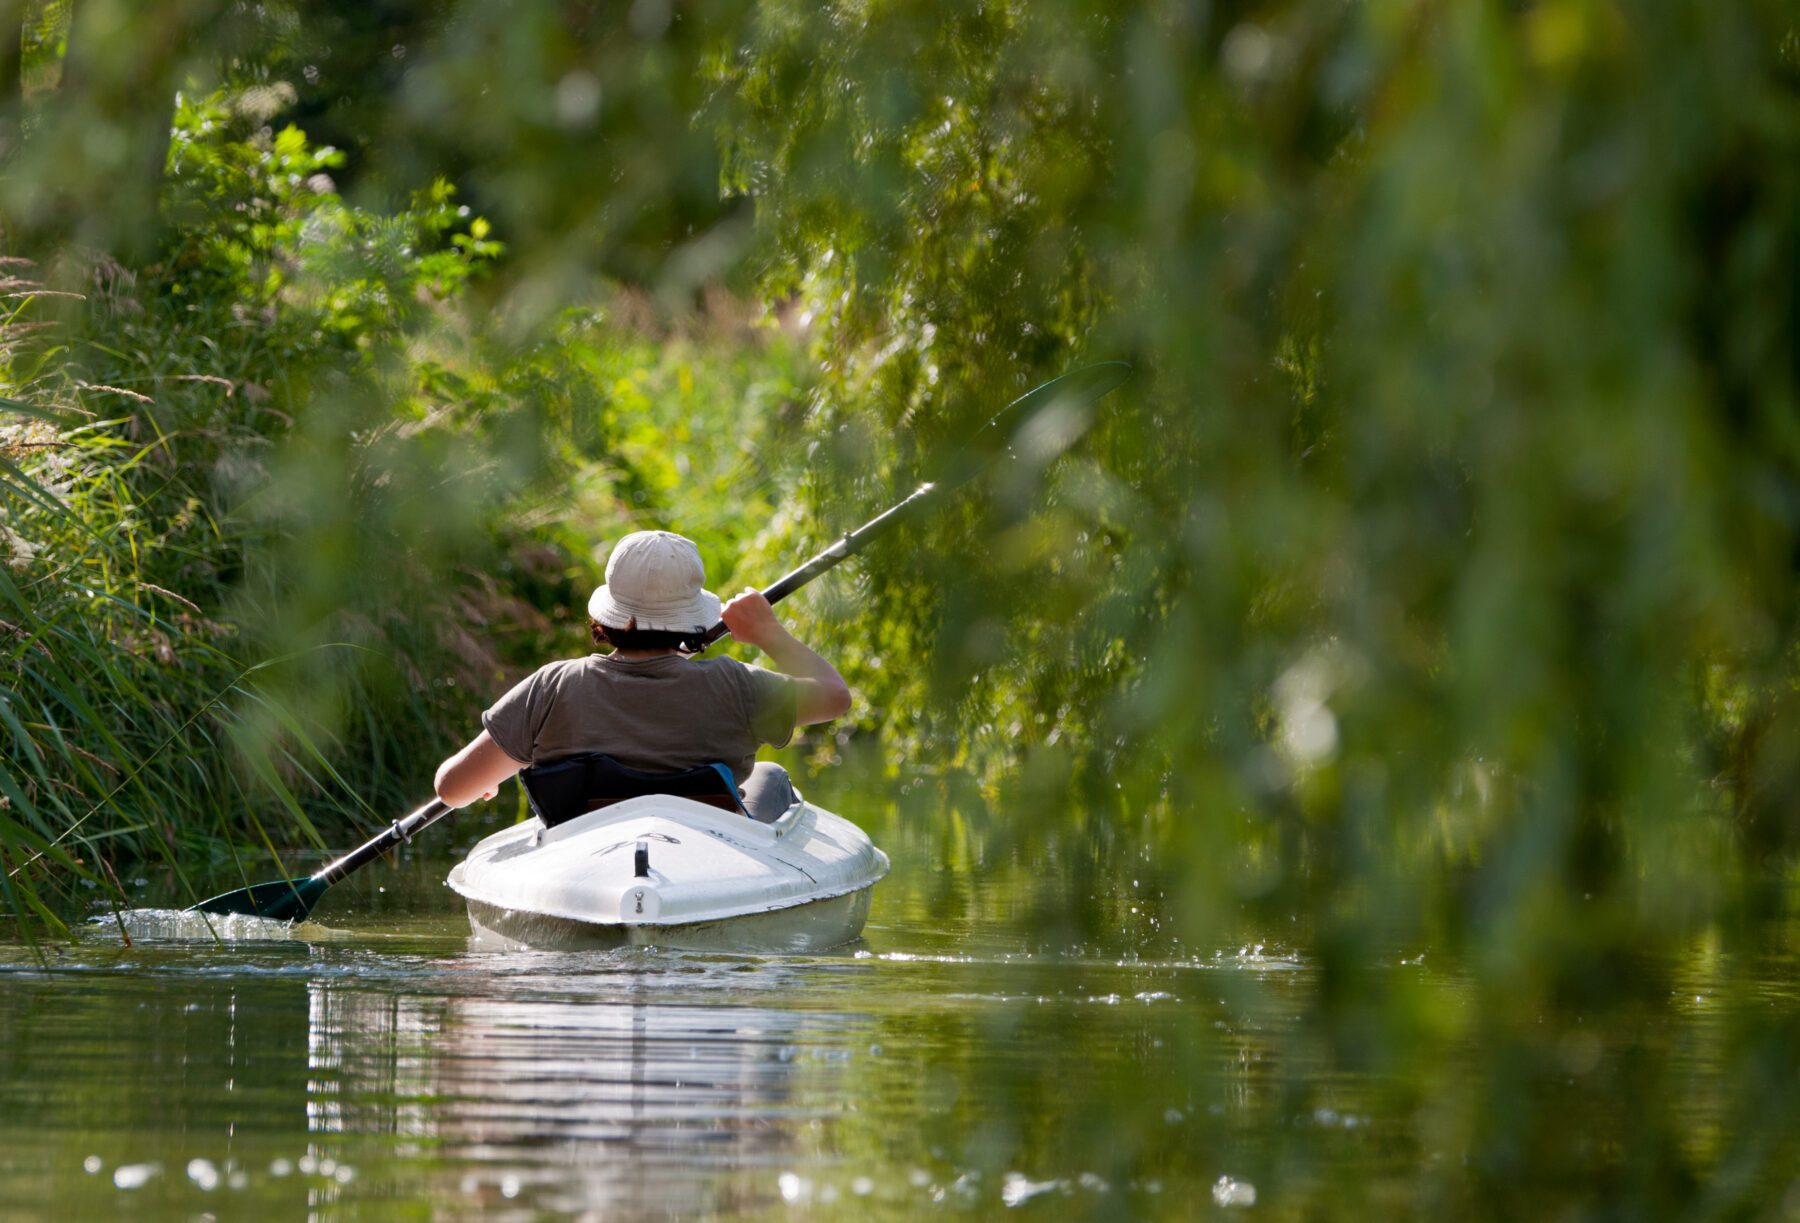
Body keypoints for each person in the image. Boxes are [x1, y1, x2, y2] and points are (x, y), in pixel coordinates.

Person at [433, 529, 850, 820]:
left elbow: (451, 789)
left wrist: (483, 782)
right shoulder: (738, 685)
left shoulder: (552, 685)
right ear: (695, 620)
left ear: (607, 615)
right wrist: (768, 633)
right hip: (709, 859)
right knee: (771, 777)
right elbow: (835, 696)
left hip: (589, 857)